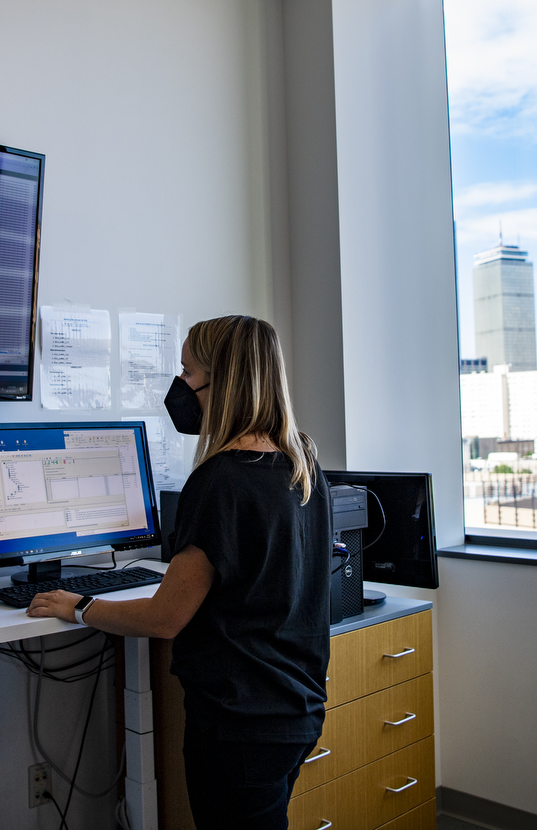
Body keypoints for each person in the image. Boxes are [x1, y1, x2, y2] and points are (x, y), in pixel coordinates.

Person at [28, 315, 331, 829]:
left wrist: (78, 606)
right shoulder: (302, 463)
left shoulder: (219, 481)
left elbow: (166, 618)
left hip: (240, 725)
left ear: (224, 381)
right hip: (295, 709)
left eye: (187, 371)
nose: (180, 386)